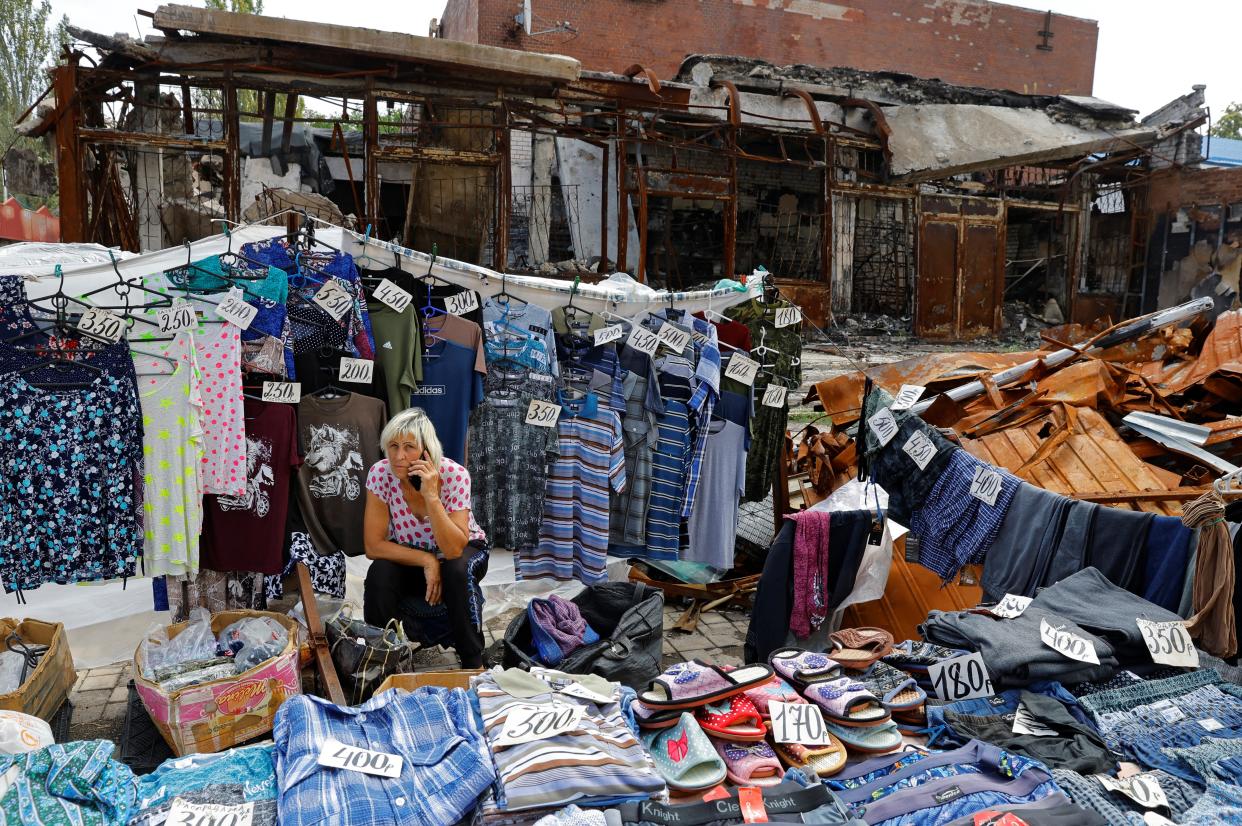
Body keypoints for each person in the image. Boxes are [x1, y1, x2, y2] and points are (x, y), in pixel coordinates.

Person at [363, 407, 490, 667]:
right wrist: (427, 560)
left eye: (409, 447)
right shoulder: (380, 474)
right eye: (393, 446)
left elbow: (455, 548)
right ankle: (382, 661)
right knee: (379, 573)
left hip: (464, 548)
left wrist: (431, 496)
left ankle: (473, 663)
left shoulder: (454, 475)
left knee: (456, 569)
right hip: (414, 552)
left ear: (426, 450)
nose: (398, 456)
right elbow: (373, 546)